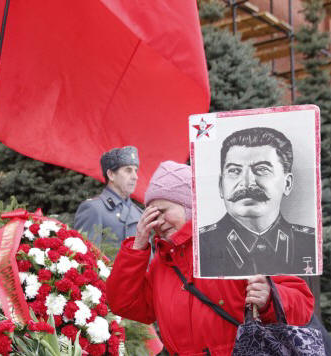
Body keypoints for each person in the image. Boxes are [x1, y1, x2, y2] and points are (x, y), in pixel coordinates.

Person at [106, 160, 314, 356]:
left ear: (189, 207)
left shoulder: (239, 240)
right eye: (151, 215)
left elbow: (302, 303)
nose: (157, 222)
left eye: (163, 211)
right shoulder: (163, 261)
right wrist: (137, 248)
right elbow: (124, 305)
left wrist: (270, 297)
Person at [199, 127, 316, 277]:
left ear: (287, 184)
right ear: (221, 186)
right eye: (234, 171)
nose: (247, 183)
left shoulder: (310, 244)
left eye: (261, 169)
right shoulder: (200, 246)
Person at [74, 146, 142, 248]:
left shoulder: (139, 213)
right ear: (111, 175)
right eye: (128, 170)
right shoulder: (93, 209)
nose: (135, 177)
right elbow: (85, 257)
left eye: (135, 170)